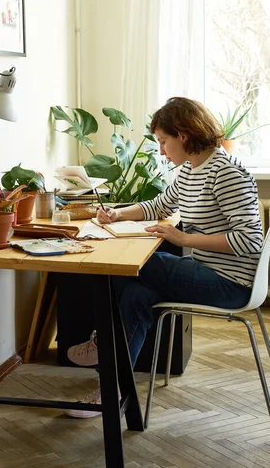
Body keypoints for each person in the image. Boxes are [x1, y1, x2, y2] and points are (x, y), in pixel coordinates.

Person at [65, 97, 263, 419]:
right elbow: (159, 205)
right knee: (137, 295)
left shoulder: (226, 174)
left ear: (183, 135)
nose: (160, 151)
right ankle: (114, 389)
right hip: (205, 270)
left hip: (232, 284)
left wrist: (184, 238)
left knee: (131, 264)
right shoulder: (190, 170)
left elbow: (250, 240)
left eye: (162, 142)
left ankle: (104, 343)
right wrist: (116, 214)